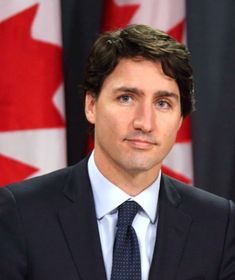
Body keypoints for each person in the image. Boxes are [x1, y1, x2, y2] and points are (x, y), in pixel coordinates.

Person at [0, 24, 234, 280]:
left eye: (163, 103)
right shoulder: (20, 213)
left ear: (180, 120)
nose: (144, 122)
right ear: (91, 105)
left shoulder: (220, 225)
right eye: (126, 98)